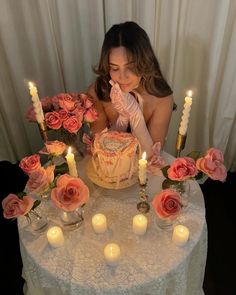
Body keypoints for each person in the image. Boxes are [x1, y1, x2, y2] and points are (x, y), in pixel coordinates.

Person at [87, 21, 173, 159]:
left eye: (131, 67)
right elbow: (100, 152)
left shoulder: (162, 98)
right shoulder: (97, 93)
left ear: (145, 61)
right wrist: (122, 120)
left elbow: (151, 157)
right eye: (114, 68)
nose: (122, 77)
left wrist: (135, 114)